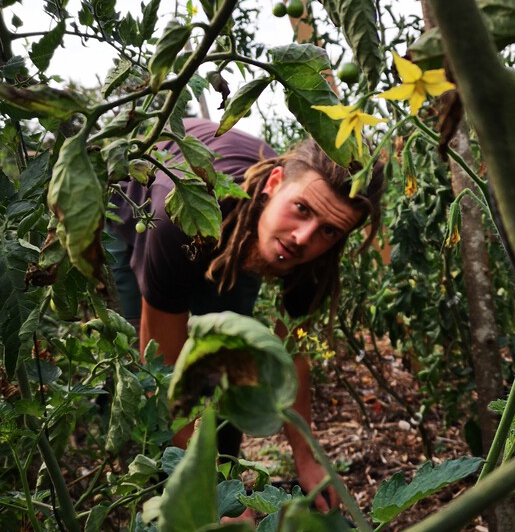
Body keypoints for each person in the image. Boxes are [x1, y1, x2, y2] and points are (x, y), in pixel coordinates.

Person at [108, 116, 385, 510]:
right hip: (137, 209)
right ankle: (159, 500)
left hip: (240, 226)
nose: (303, 238)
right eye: (301, 209)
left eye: (329, 230)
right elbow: (166, 369)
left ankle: (221, 464)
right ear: (273, 185)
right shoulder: (180, 220)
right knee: (149, 373)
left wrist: (307, 457)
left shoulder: (303, 247)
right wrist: (214, 499)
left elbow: (293, 350)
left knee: (225, 363)